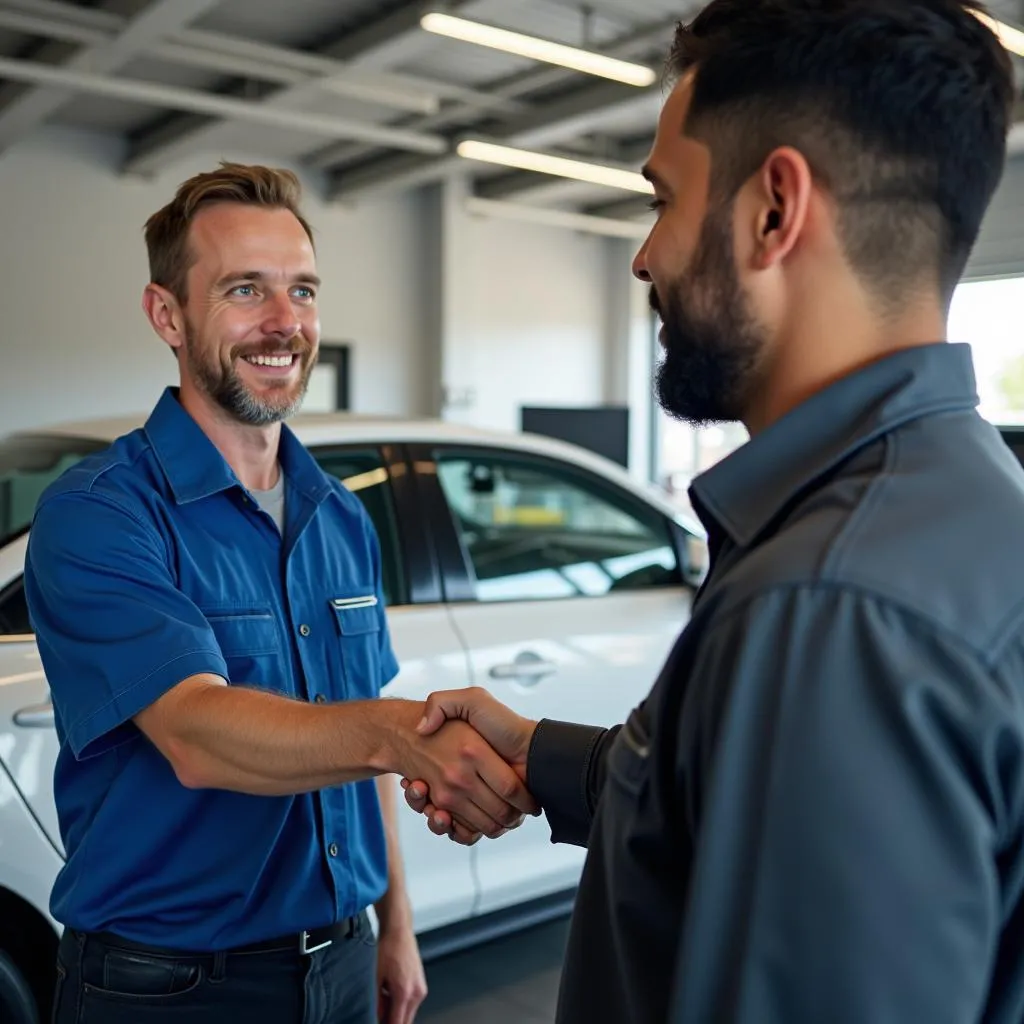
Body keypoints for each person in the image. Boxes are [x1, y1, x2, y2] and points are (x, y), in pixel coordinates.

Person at [401, 2, 1024, 1022]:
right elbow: (718, 803)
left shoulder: (826, 609)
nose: (645, 257)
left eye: (663, 199)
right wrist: (536, 751)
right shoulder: (957, 504)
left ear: (774, 210)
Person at [24, 163, 535, 1024]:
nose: (283, 322)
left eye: (302, 290)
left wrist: (394, 927)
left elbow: (364, 735)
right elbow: (196, 732)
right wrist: (401, 736)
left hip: (340, 959)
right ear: (167, 316)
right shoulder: (101, 513)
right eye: (244, 290)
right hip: (168, 990)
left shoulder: (340, 517)